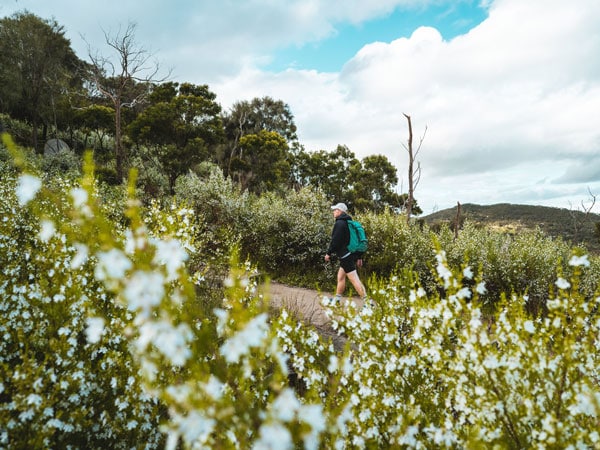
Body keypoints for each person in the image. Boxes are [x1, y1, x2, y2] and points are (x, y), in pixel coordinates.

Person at [324, 202, 368, 304]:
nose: (333, 212)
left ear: (339, 211)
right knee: (340, 277)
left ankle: (368, 303)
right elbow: (354, 240)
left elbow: (335, 241)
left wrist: (328, 253)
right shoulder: (348, 223)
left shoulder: (339, 223)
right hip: (350, 254)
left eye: (335, 210)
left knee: (354, 279)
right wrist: (359, 257)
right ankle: (337, 299)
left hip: (345, 256)